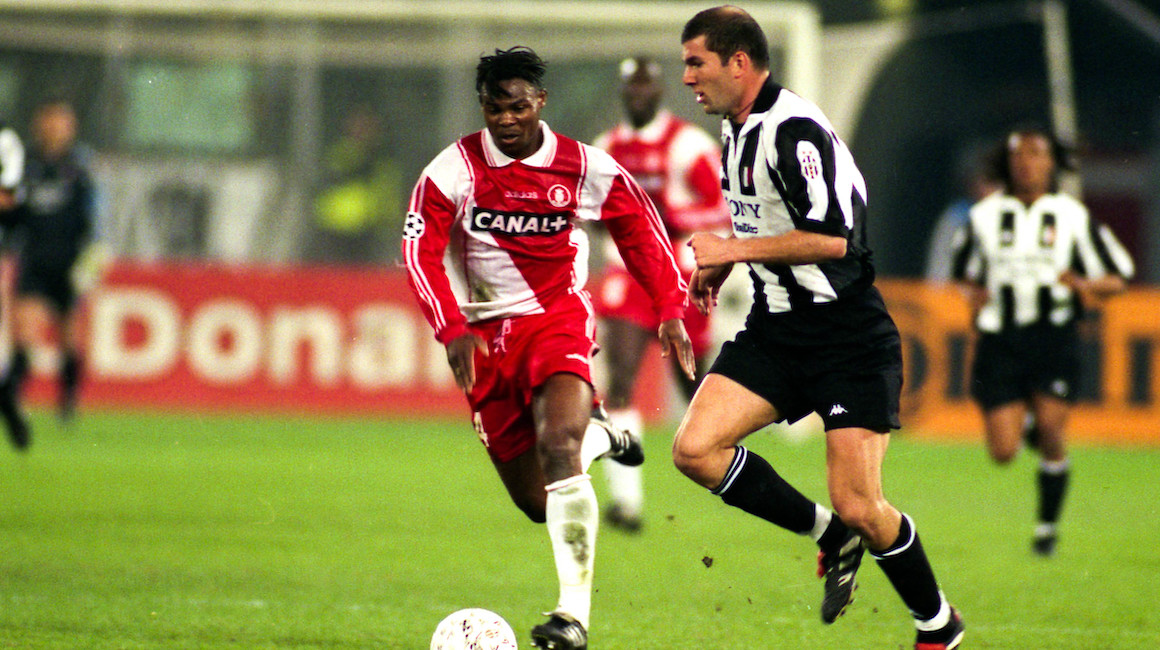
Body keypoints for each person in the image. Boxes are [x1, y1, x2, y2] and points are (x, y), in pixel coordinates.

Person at [672, 7, 963, 649]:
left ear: (738, 63)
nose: (687, 76)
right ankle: (830, 535)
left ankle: (938, 624)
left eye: (697, 62)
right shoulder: (735, 129)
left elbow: (833, 240)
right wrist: (727, 263)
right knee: (694, 450)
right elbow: (766, 219)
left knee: (862, 503)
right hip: (775, 329)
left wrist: (731, 249)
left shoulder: (793, 130)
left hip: (845, 337)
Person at [403, 46, 695, 650]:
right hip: (486, 340)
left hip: (555, 320)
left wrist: (670, 305)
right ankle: (602, 436)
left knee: (558, 446)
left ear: (540, 101)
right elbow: (418, 250)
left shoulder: (583, 166)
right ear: (482, 107)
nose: (507, 119)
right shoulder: (453, 170)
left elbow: (639, 228)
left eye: (518, 107)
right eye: (495, 109)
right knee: (538, 502)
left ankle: (572, 618)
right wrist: (451, 327)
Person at [950, 126, 1134, 557]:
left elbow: (1119, 275)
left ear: (1051, 163)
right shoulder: (984, 216)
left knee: (1053, 431)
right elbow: (960, 273)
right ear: (1008, 162)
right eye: (1020, 154)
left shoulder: (1071, 215)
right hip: (1000, 340)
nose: (1027, 163)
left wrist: (1085, 284)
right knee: (1003, 452)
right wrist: (972, 293)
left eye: (1036, 154)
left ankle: (1047, 529)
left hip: (1054, 338)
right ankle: (1028, 425)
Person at [590, 55, 730, 532]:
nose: (638, 94)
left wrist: (671, 215)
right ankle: (626, 501)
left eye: (645, 86)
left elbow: (723, 207)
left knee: (695, 389)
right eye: (631, 86)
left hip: (681, 276)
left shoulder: (689, 145)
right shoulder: (605, 148)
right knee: (620, 379)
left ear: (659, 90)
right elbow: (588, 207)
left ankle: (732, 471)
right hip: (628, 274)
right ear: (622, 91)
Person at [0, 99, 103, 448]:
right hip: (34, 259)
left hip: (69, 262)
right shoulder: (23, 164)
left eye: (62, 120)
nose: (55, 126)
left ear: (70, 126)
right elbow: (10, 214)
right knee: (25, 331)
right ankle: (12, 400)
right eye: (50, 119)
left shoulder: (81, 165)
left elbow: (95, 216)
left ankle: (68, 401)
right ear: (38, 123)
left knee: (70, 335)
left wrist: (91, 260)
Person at [308, 102, 404, 265]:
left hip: (370, 232)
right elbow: (333, 179)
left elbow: (388, 193)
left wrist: (393, 224)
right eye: (359, 124)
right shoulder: (339, 153)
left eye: (369, 124)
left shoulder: (384, 161)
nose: (363, 129)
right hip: (335, 230)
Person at [923, 145, 1001, 282]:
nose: (987, 189)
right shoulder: (955, 218)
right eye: (984, 181)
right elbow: (937, 277)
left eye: (995, 181)